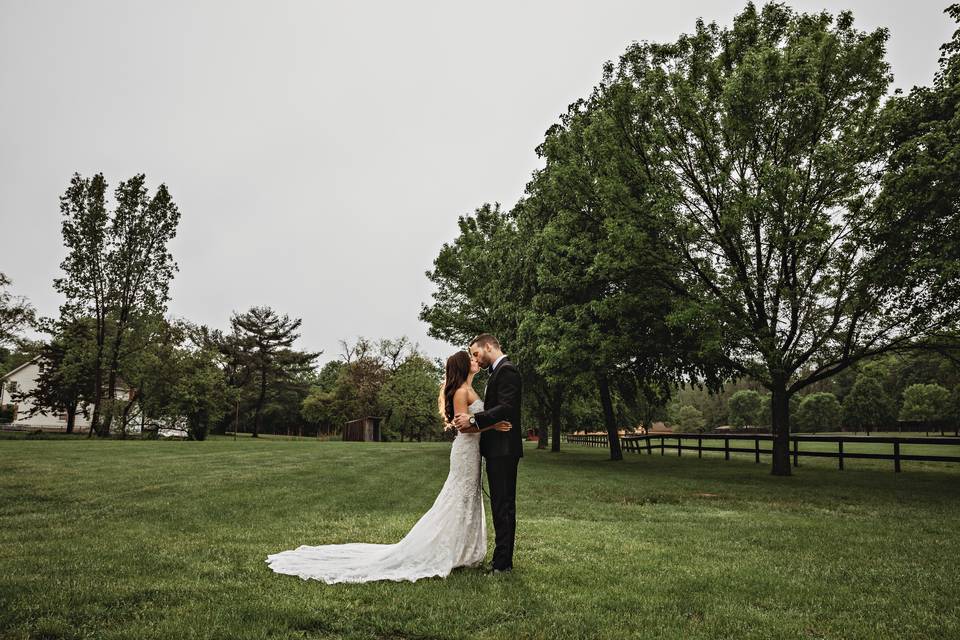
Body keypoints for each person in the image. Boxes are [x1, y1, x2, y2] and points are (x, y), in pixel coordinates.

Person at [264, 350, 510, 584]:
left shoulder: (470, 388)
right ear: (463, 366)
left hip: (472, 453)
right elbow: (463, 427)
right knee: (458, 498)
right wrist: (492, 426)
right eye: (471, 358)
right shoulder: (460, 391)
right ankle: (444, 550)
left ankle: (464, 551)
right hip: (465, 452)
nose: (475, 360)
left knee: (468, 498)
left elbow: (471, 421)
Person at [452, 333, 522, 574]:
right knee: (500, 505)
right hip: (495, 449)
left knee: (503, 506)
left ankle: (503, 564)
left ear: (489, 346)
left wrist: (474, 418)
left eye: (476, 353)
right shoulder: (497, 372)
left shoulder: (508, 370)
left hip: (504, 449)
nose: (475, 359)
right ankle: (500, 560)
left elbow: (506, 407)